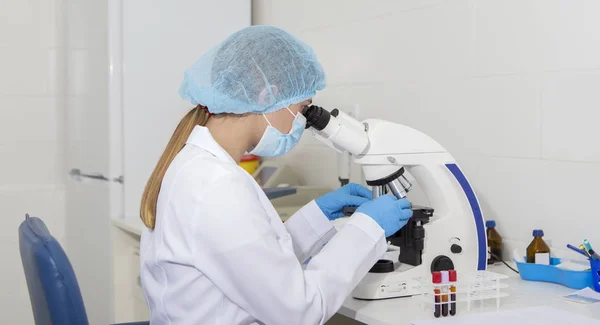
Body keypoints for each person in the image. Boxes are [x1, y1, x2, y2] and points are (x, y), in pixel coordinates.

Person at [139, 25, 413, 325]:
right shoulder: (216, 186)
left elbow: (256, 262)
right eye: (303, 108)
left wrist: (316, 217)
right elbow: (299, 310)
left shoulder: (198, 166)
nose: (303, 121)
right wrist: (367, 228)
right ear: (268, 96)